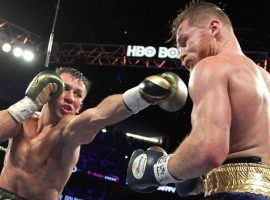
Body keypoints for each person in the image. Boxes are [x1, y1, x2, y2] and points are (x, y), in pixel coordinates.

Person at [127, 1, 270, 199]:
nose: (181, 54)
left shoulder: (211, 66)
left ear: (214, 27)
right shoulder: (266, 78)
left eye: (184, 41)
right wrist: (203, 177)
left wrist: (158, 170)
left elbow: (208, 150)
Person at [0, 67, 187, 199]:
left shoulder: (68, 131)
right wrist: (29, 102)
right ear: (50, 90)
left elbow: (99, 115)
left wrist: (142, 95)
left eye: (78, 94)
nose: (70, 98)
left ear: (80, 106)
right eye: (64, 88)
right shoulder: (24, 119)